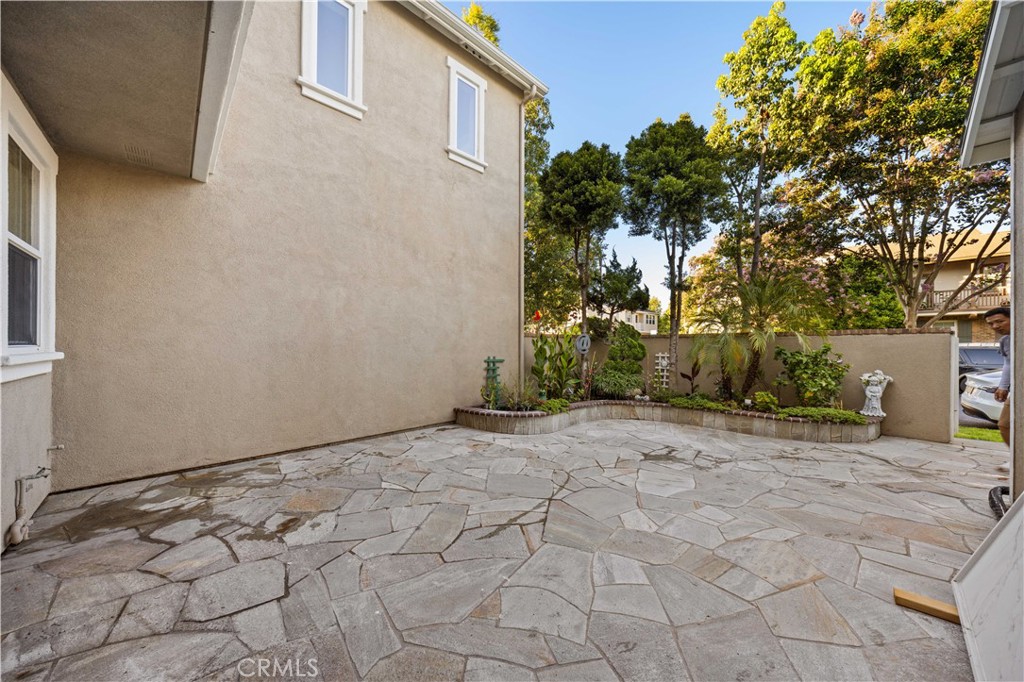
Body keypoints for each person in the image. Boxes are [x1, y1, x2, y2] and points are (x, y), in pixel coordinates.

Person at [983, 306, 1011, 450]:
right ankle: (1018, 457)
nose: (995, 326)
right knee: (1004, 425)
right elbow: (1008, 363)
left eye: (1000, 321)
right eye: (991, 324)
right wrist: (1003, 386)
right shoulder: (1005, 341)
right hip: (1018, 390)